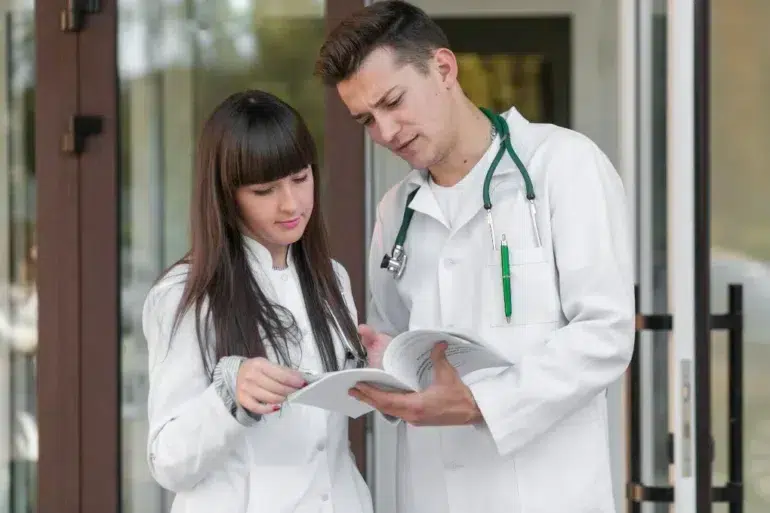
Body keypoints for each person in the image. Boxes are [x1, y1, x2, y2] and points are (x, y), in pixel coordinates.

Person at [314, 2, 635, 512]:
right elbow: (401, 344)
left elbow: (605, 332)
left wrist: (482, 403)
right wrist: (377, 357)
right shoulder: (396, 209)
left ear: (443, 68)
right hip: (430, 494)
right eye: (366, 120)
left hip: (545, 493)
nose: (387, 132)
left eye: (393, 102)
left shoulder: (562, 166)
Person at [141, 90, 373, 513]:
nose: (292, 204)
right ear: (227, 196)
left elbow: (329, 436)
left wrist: (374, 373)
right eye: (265, 190)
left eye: (301, 179)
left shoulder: (331, 279)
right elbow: (167, 461)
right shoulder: (186, 295)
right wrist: (230, 396)